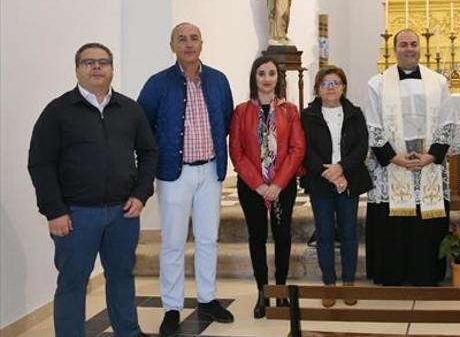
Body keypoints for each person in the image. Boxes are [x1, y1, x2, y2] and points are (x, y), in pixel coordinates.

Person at [28, 43, 157, 337]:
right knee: (73, 282)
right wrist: (54, 211)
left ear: (112, 68)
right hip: (75, 215)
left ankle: (128, 331)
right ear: (77, 69)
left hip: (123, 213)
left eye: (103, 62)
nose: (96, 67)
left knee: (122, 277)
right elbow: (40, 164)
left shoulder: (129, 109)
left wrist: (140, 194)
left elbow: (149, 152)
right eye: (88, 62)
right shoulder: (58, 111)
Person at [138, 22, 235, 336]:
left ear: (202, 44)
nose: (189, 44)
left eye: (194, 38)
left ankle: (207, 298)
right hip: (173, 174)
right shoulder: (157, 83)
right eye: (182, 39)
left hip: (210, 171)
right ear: (173, 46)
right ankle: (171, 306)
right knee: (173, 243)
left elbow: (226, 120)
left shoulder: (218, 80)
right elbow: (142, 126)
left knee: (208, 238)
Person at [364, 29, 460, 286]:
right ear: (394, 49)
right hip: (393, 162)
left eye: (413, 44)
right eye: (403, 44)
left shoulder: (438, 82)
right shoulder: (376, 83)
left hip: (427, 161)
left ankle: (426, 273)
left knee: (425, 221)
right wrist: (393, 157)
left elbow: (447, 122)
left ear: (419, 48)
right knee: (394, 222)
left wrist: (431, 157)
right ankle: (392, 273)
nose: (409, 49)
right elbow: (373, 125)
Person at [228, 56, 305, 318]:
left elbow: (297, 149)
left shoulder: (290, 110)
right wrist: (260, 185)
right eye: (261, 73)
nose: (267, 78)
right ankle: (262, 292)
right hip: (252, 187)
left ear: (278, 78)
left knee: (283, 236)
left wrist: (278, 183)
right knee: (257, 237)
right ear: (254, 78)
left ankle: (281, 289)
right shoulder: (241, 111)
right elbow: (237, 153)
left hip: (282, 186)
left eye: (271, 73)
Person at [301, 66, 372, 308]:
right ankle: (329, 284)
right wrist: (330, 174)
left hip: (348, 180)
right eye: (325, 83)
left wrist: (342, 169)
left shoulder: (355, 114)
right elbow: (304, 150)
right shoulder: (307, 115)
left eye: (335, 83)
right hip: (320, 182)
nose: (330, 87)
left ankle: (349, 283)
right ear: (317, 89)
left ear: (343, 87)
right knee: (325, 233)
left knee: (349, 232)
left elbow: (362, 146)